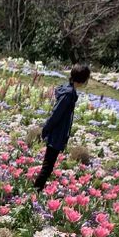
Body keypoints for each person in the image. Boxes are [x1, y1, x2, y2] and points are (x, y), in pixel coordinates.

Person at [33, 63, 91, 191]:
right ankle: (34, 193)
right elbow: (56, 115)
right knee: (47, 168)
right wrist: (45, 130)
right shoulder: (68, 94)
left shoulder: (69, 91)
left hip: (58, 134)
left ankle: (35, 191)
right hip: (56, 135)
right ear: (83, 80)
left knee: (48, 167)